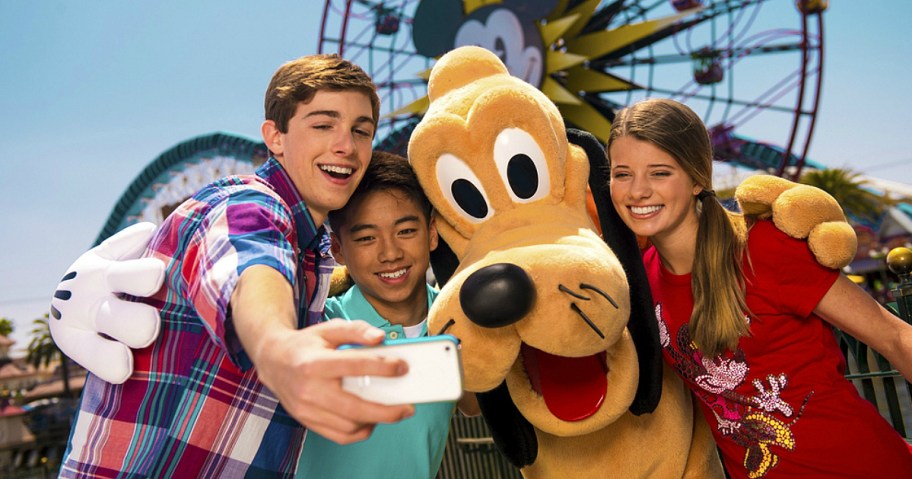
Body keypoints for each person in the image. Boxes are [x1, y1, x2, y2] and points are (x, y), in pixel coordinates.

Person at [59, 54, 416, 478]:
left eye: (362, 131)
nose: (346, 145)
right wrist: (278, 347)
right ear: (275, 137)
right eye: (323, 125)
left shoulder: (314, 253)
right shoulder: (245, 202)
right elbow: (251, 259)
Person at [606, 97, 912, 478]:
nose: (637, 191)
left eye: (660, 173)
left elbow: (896, 338)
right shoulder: (641, 282)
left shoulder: (763, 247)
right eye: (622, 174)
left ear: (698, 177)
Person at [295, 150, 478, 479]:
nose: (390, 253)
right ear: (337, 249)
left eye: (406, 231)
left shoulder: (456, 320)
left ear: (432, 232)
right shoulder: (319, 329)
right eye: (366, 238)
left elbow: (475, 405)